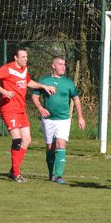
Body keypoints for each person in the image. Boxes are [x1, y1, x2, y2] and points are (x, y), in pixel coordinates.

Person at [0, 48, 56, 182]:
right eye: (23, 57)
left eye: (26, 57)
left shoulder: (24, 70)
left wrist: (43, 86)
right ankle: (16, 174)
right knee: (17, 140)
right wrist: (4, 92)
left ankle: (14, 169)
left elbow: (28, 82)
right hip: (9, 109)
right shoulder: (7, 69)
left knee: (27, 140)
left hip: (21, 110)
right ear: (15, 58)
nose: (26, 59)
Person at [31, 56, 86, 184]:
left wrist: (80, 117)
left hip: (64, 120)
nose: (63, 66)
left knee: (61, 144)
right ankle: (51, 174)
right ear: (53, 66)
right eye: (60, 64)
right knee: (50, 147)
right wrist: (40, 108)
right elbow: (35, 96)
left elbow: (76, 99)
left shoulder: (68, 83)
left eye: (64, 64)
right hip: (48, 120)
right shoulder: (44, 81)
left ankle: (58, 175)